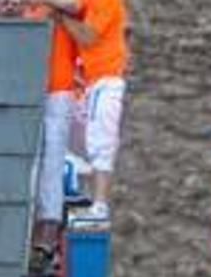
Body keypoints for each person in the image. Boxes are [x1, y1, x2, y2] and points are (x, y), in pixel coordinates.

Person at [60, 0, 127, 227]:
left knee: (102, 143)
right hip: (100, 80)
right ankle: (101, 204)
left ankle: (101, 205)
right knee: (99, 143)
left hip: (110, 79)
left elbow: (87, 36)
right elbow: (72, 6)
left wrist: (59, 16)